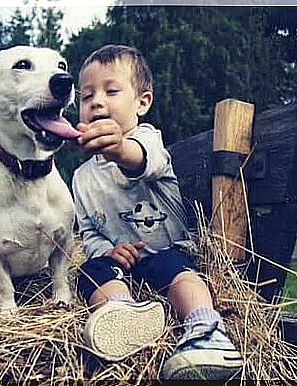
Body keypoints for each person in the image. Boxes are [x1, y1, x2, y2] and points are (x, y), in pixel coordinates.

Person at [72, 44, 242, 380]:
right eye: (86, 96)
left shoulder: (147, 141)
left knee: (175, 269)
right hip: (123, 268)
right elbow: (89, 231)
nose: (96, 102)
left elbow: (142, 162)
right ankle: (122, 316)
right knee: (90, 272)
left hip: (167, 253)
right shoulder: (81, 178)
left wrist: (119, 148)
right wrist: (109, 251)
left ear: (142, 102)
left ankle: (206, 330)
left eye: (111, 91)